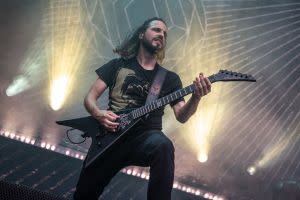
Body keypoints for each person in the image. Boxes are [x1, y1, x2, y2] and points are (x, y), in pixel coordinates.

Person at [73, 17, 211, 200]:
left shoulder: (169, 78)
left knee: (163, 145)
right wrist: (98, 114)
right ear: (141, 34)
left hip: (145, 137)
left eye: (164, 33)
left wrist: (196, 97)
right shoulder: (117, 65)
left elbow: (181, 116)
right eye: (156, 30)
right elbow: (90, 97)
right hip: (110, 137)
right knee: (83, 195)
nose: (161, 35)